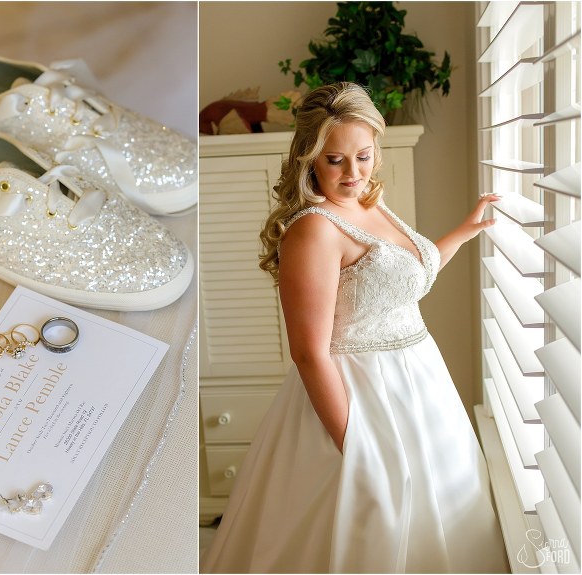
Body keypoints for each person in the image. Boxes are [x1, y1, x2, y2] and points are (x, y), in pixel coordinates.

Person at [200, 83, 507, 574]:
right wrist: (356, 444)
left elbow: (403, 280)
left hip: (420, 384)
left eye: (363, 157)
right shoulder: (314, 230)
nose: (352, 173)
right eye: (335, 160)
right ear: (309, 158)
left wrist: (463, 232)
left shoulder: (369, 201)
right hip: (360, 396)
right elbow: (309, 354)